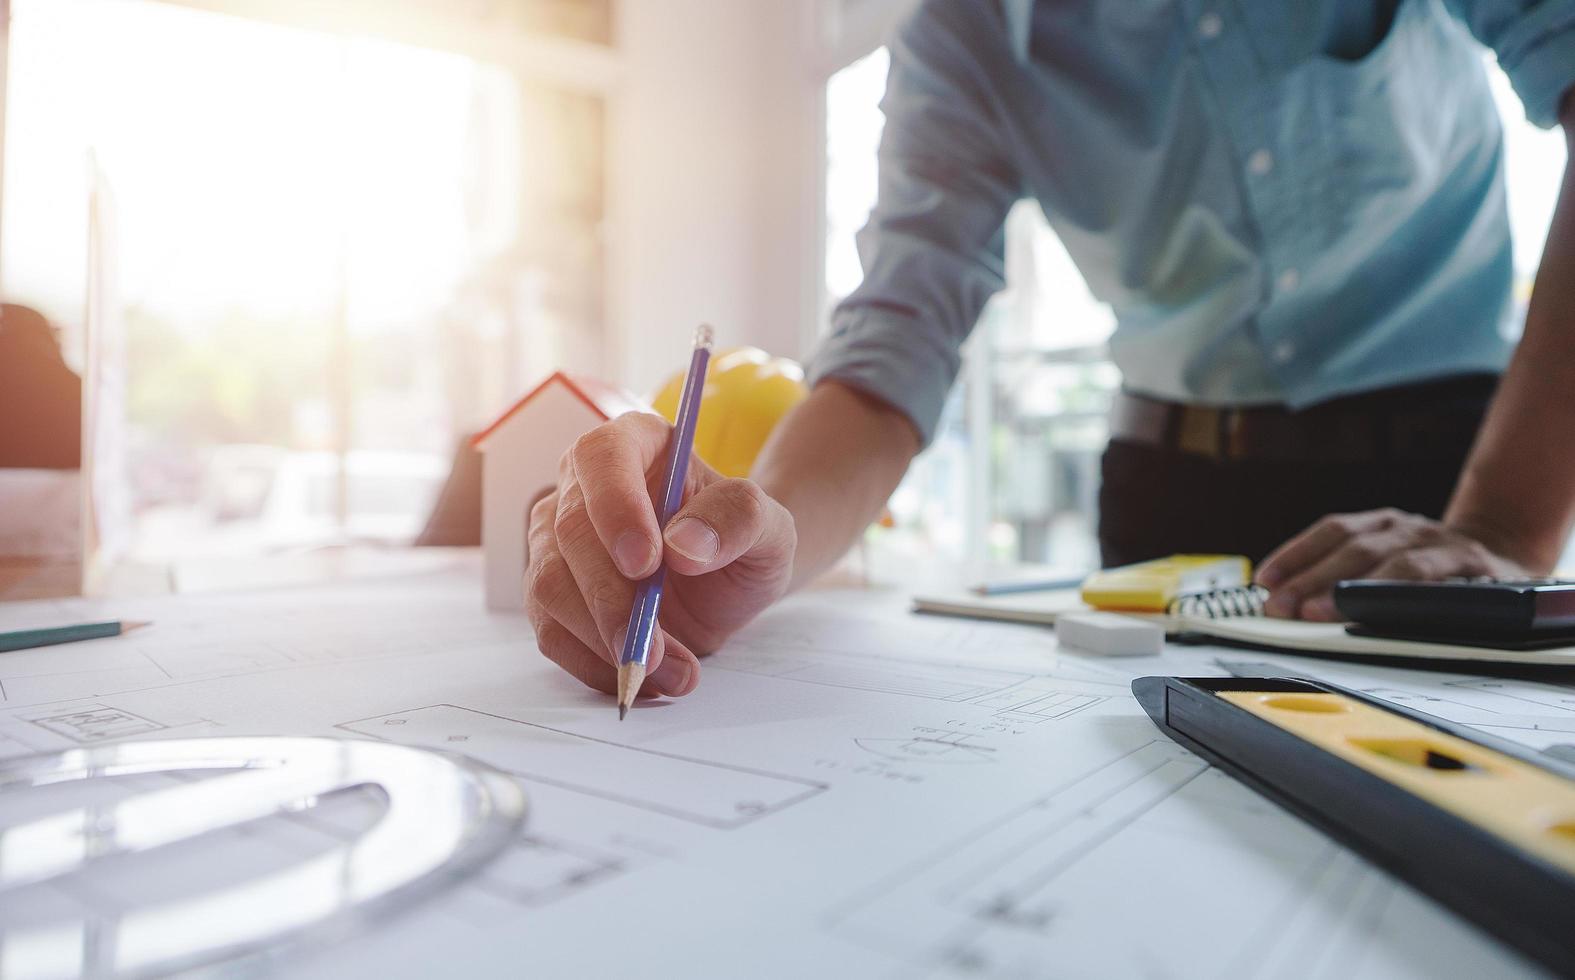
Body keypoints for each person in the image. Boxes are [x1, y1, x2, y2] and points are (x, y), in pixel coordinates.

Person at [525, 0, 1575, 699]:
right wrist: (768, 536)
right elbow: (896, 338)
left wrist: (1504, 522)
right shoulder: (962, 33)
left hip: (1457, 477)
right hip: (1169, 494)